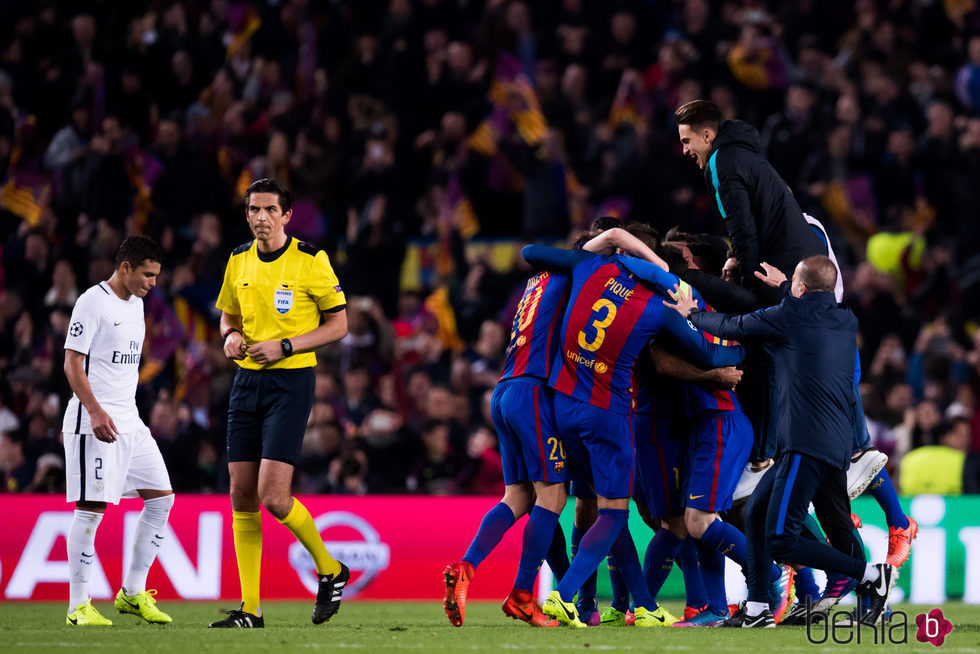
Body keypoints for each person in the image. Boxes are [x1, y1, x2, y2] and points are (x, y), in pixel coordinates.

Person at [521, 240, 745, 628]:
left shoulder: (590, 269)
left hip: (562, 405)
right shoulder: (658, 308)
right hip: (617, 415)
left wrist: (612, 245)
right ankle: (568, 594)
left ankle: (633, 603)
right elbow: (707, 354)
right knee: (622, 514)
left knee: (593, 509)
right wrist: (740, 347)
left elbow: (529, 252)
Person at [664, 255, 896, 627]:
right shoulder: (845, 317)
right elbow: (811, 300)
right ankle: (758, 608)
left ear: (801, 289)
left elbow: (732, 325)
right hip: (834, 441)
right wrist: (788, 285)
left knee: (781, 540)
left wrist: (690, 313)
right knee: (779, 516)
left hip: (806, 442)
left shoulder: (789, 315)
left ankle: (871, 575)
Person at [210, 178, 350, 629]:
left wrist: (287, 346)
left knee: (273, 497)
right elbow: (227, 314)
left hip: (291, 383)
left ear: (287, 216)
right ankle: (250, 609)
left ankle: (330, 570)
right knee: (240, 494)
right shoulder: (238, 259)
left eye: (270, 209)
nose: (260, 217)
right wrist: (230, 335)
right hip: (246, 383)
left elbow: (339, 324)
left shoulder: (311, 260)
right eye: (253, 210)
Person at [62, 235, 174, 626]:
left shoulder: (138, 304)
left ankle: (131, 593)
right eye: (147, 274)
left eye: (157, 275)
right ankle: (78, 605)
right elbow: (72, 364)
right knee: (90, 512)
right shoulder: (92, 302)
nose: (152, 283)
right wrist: (94, 411)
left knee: (162, 500)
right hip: (95, 422)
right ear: (125, 267)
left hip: (131, 422)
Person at [673, 99, 824, 305]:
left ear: (707, 135)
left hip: (783, 274)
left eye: (686, 141)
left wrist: (747, 288)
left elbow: (742, 229)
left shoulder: (719, 162)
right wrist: (735, 256)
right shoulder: (741, 154)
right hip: (808, 269)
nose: (684, 150)